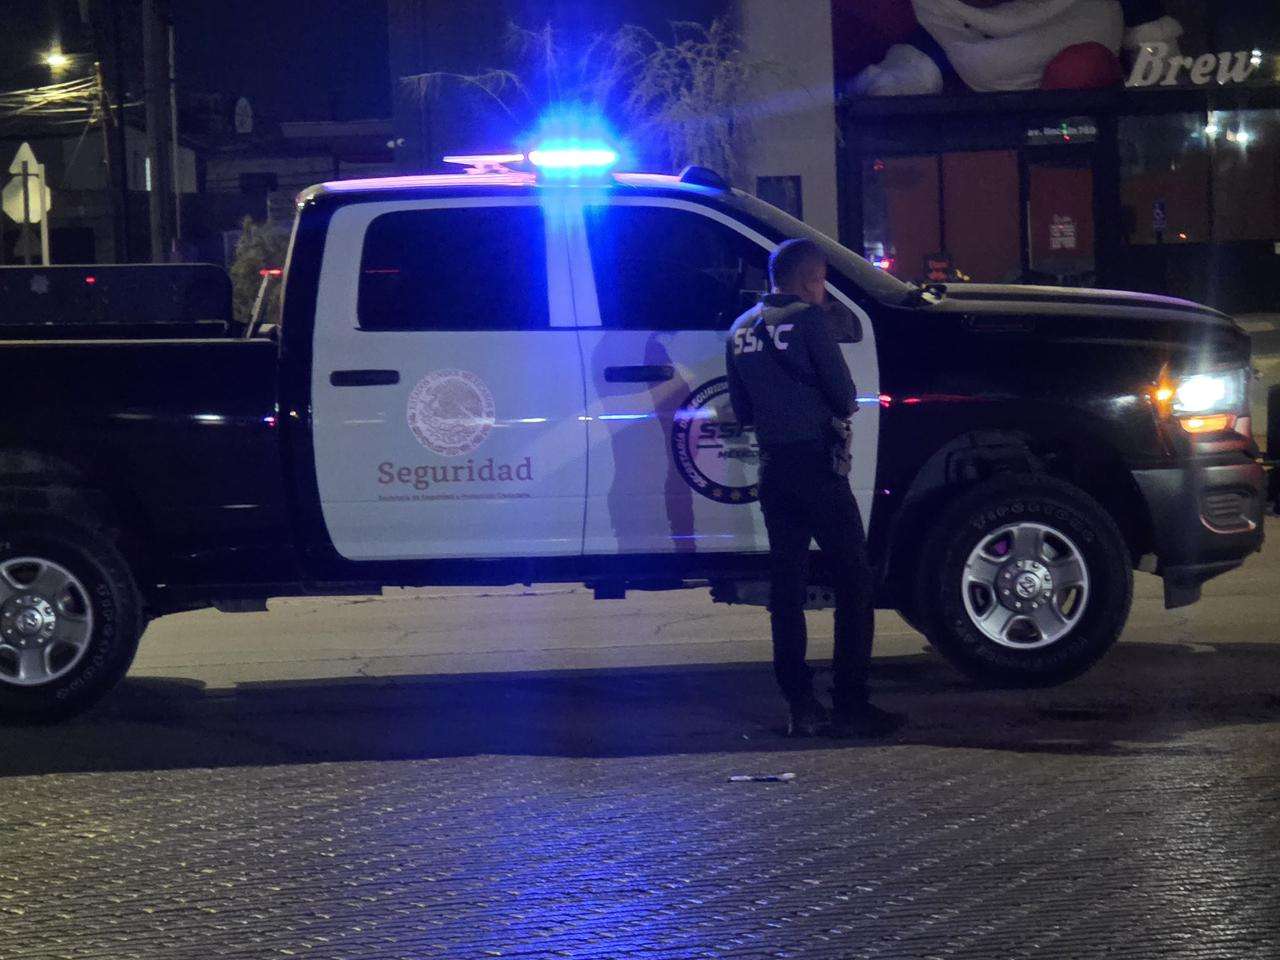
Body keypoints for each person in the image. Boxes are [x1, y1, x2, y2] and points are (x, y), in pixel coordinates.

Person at [725, 238, 905, 739]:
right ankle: (850, 702)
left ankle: (800, 706)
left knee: (787, 590)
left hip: (773, 469)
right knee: (854, 580)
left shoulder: (740, 329)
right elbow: (845, 398)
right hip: (817, 468)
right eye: (822, 281)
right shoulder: (809, 320)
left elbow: (743, 410)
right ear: (811, 280)